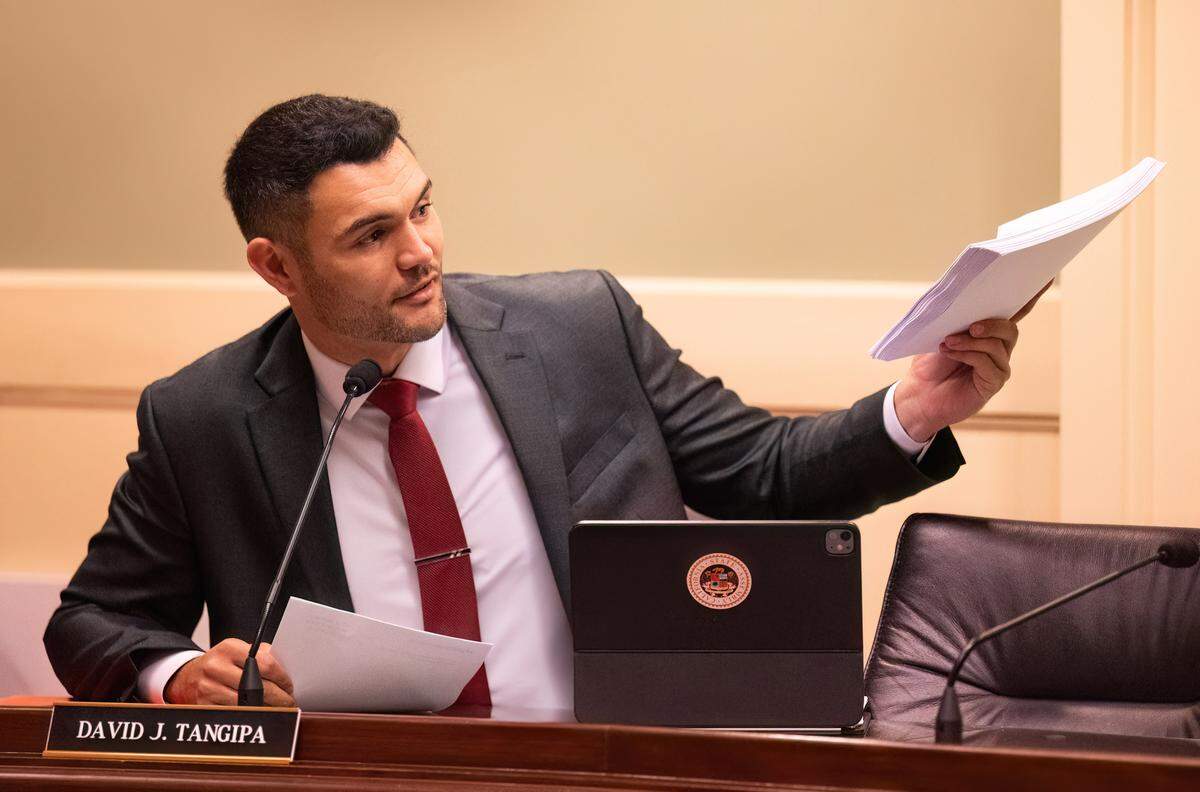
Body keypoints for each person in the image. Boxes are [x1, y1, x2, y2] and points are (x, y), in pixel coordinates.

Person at [44, 95, 1040, 711]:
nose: (421, 252)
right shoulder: (203, 417)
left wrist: (917, 408)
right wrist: (174, 674)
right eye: (372, 235)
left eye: (423, 208)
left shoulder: (578, 329)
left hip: (596, 766)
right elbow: (95, 619)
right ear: (276, 266)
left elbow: (764, 474)